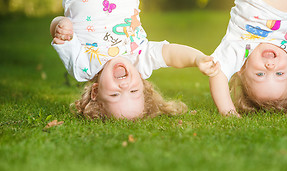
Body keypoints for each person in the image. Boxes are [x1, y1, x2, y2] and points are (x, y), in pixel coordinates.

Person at [50, 0, 216, 119]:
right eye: (133, 91)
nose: (124, 86)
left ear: (95, 91)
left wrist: (61, 24)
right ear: (142, 83)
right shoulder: (139, 58)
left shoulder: (83, 67)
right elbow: (170, 54)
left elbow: (59, 33)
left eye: (115, 94)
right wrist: (196, 59)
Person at [209, 0, 287, 117]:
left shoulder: (240, 46)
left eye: (260, 74)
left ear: (242, 69)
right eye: (279, 73)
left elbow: (217, 73)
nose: (270, 67)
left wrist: (228, 111)